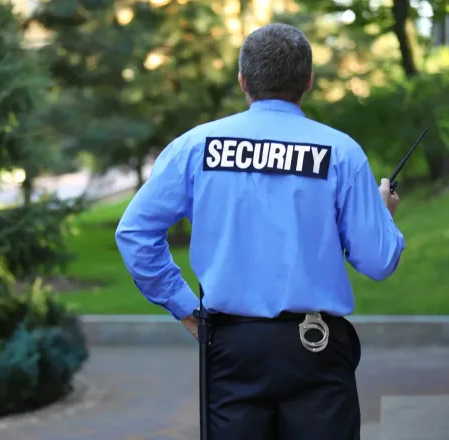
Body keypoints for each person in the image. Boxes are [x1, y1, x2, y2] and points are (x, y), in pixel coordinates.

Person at [114, 22, 405, 440]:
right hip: (316, 348)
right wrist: (383, 216)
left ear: (243, 81)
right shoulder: (341, 153)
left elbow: (135, 233)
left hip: (231, 347)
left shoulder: (196, 148)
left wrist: (183, 305)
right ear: (308, 81)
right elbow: (377, 261)